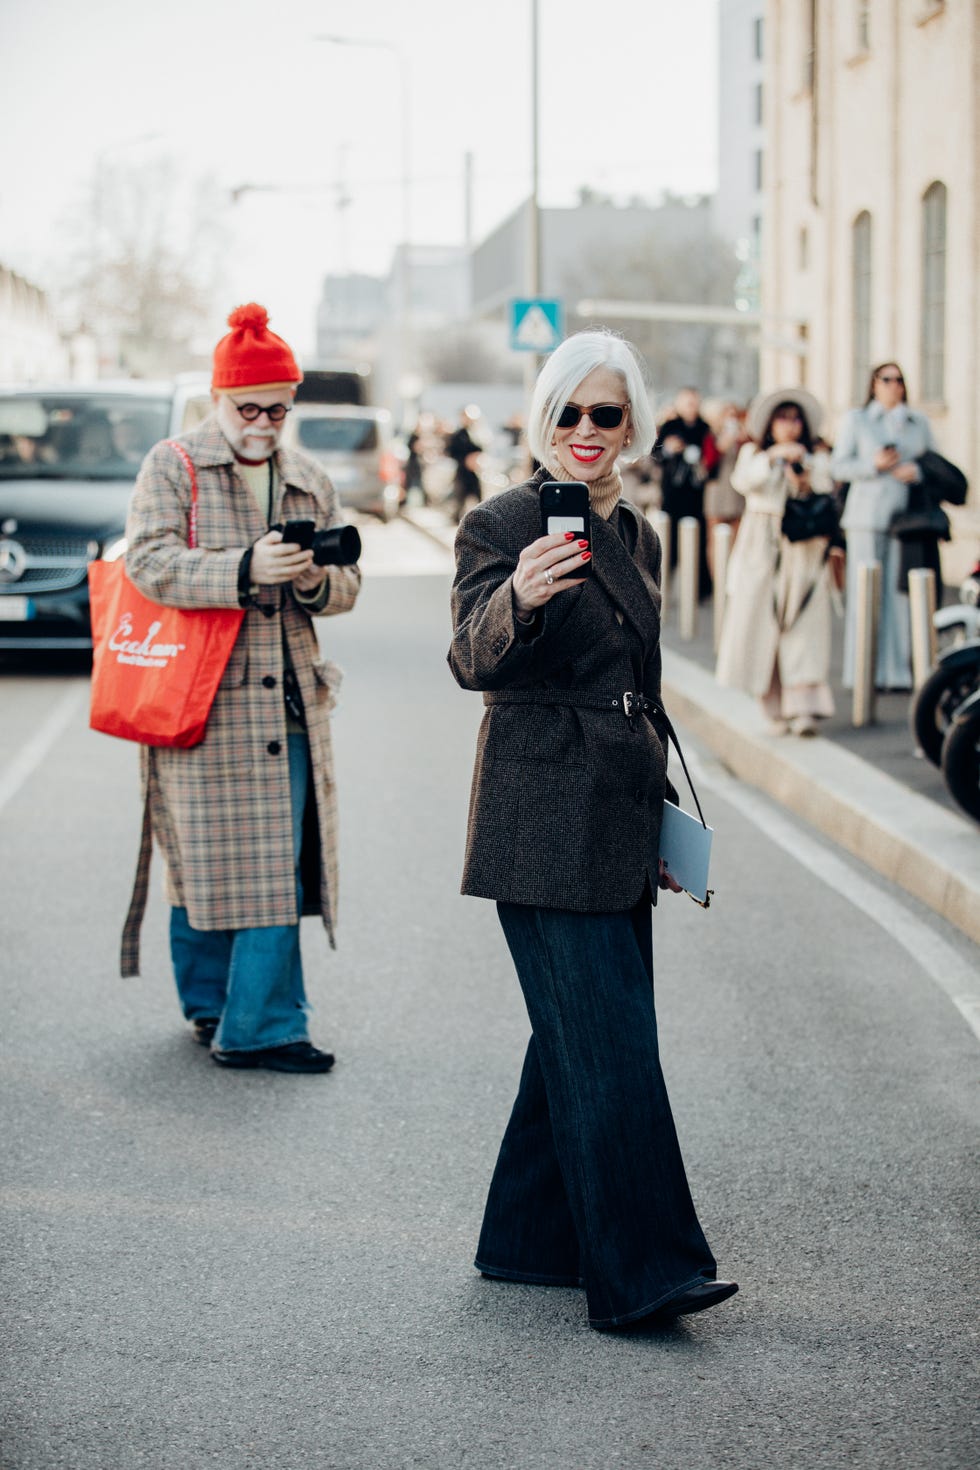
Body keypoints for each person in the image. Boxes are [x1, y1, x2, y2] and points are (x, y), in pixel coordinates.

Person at [449, 330, 738, 1332]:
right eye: (566, 412)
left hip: (617, 809)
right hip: (535, 816)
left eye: (604, 414)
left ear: (631, 424)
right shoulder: (503, 521)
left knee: (579, 1036)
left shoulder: (640, 534)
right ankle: (644, 1274)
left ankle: (525, 1242)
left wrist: (661, 822)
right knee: (611, 1045)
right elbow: (468, 657)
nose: (583, 432)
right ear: (542, 416)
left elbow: (639, 688)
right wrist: (517, 601)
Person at [122, 303, 361, 1073]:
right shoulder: (174, 464)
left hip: (288, 701)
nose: (263, 423)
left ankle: (261, 1025)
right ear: (218, 401)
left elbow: (350, 585)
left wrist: (321, 578)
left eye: (278, 409)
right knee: (199, 857)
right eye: (248, 407)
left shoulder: (308, 477)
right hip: (199, 699)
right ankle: (212, 1004)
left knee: (268, 861)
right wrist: (241, 568)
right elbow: (147, 564)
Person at [716, 389, 839, 736]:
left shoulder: (816, 455)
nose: (790, 425)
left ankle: (805, 710)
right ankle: (772, 705)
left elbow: (823, 487)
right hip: (761, 544)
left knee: (803, 624)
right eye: (783, 418)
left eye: (795, 418)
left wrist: (803, 475)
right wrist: (774, 458)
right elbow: (743, 481)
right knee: (761, 623)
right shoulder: (755, 453)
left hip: (804, 546)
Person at [831, 362, 937, 690]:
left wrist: (915, 473)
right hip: (866, 518)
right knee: (864, 595)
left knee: (899, 595)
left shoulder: (918, 422)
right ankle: (862, 672)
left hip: (905, 520)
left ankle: (897, 672)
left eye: (899, 380)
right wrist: (872, 465)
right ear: (873, 384)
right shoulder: (857, 419)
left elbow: (934, 464)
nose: (894, 385)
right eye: (886, 379)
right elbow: (838, 466)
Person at [653, 387, 719, 597]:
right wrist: (670, 449)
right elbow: (656, 454)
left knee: (698, 542)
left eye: (694, 403)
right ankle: (661, 587)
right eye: (688, 403)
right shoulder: (670, 426)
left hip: (696, 494)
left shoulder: (704, 428)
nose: (692, 407)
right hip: (672, 493)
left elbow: (711, 463)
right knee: (669, 543)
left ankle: (701, 590)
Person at [703, 402, 747, 578]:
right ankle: (717, 578)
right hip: (717, 492)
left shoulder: (742, 439)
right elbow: (707, 463)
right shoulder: (711, 437)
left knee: (737, 539)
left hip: (736, 492)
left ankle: (733, 578)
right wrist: (722, 444)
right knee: (714, 539)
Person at [445, 406, 483, 524]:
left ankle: (480, 519)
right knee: (460, 496)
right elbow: (451, 451)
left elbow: (481, 448)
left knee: (478, 495)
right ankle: (456, 519)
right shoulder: (458, 435)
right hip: (463, 470)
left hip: (475, 470)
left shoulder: (477, 432)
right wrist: (465, 460)